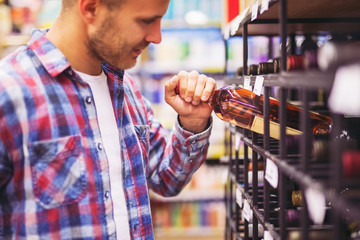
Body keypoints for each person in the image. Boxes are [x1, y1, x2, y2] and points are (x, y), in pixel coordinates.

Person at [0, 0, 216, 239]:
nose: (157, 37)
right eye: (146, 21)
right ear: (91, 9)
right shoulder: (9, 91)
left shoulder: (127, 90)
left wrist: (192, 122)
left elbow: (167, 179)